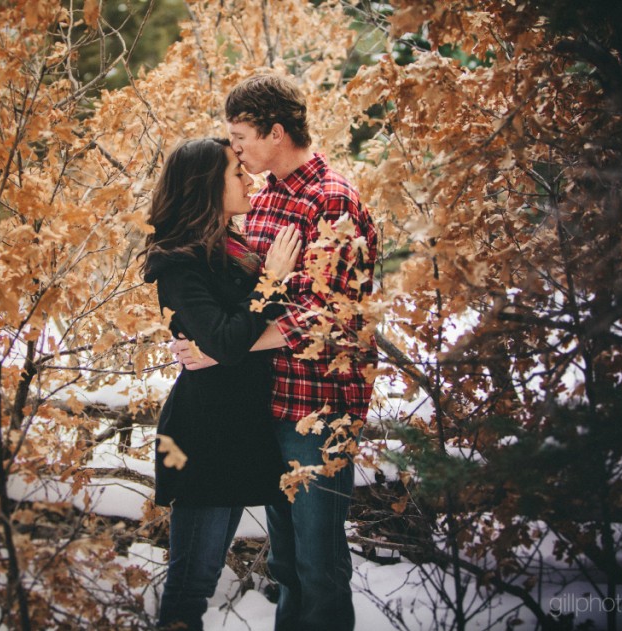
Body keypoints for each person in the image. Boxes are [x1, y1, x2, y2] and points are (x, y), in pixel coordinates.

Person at [172, 74, 378, 630]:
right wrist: (195, 326)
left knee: (318, 564)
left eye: (242, 136)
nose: (234, 148)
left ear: (278, 131)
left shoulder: (333, 201)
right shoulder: (263, 199)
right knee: (285, 564)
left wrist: (220, 351)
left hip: (316, 408)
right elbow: (239, 294)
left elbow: (326, 316)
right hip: (266, 402)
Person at [141, 137, 303, 630]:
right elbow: (231, 339)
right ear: (207, 187)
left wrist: (226, 340)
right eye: (237, 172)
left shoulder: (231, 248)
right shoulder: (179, 263)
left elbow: (233, 338)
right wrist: (271, 281)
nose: (249, 178)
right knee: (192, 587)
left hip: (237, 431)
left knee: (199, 583)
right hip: (205, 437)